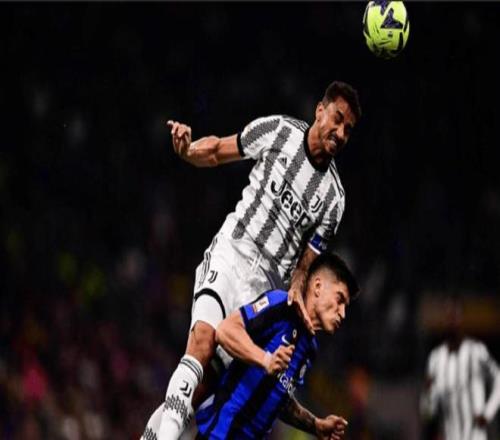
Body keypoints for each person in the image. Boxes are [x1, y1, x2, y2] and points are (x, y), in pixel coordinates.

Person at [149, 81, 362, 439]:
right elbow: (217, 150)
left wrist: (297, 286)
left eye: (348, 130)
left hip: (264, 290)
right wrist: (188, 151)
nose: (340, 133)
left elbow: (307, 262)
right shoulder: (278, 131)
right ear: (319, 111)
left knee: (209, 385)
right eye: (337, 119)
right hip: (233, 253)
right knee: (202, 342)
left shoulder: (334, 200)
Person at [143, 252, 358, 440]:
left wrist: (315, 425)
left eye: (346, 307)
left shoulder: (310, 349)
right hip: (221, 433)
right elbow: (226, 330)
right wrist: (265, 359)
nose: (343, 313)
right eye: (339, 299)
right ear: (318, 286)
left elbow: (278, 397)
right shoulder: (282, 306)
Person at [420, 296, 500, 440]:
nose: (451, 321)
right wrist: (427, 393)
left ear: (462, 320)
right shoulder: (435, 359)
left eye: (455, 316)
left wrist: (488, 413)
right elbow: (428, 412)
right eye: (448, 316)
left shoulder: (477, 351)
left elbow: (498, 377)